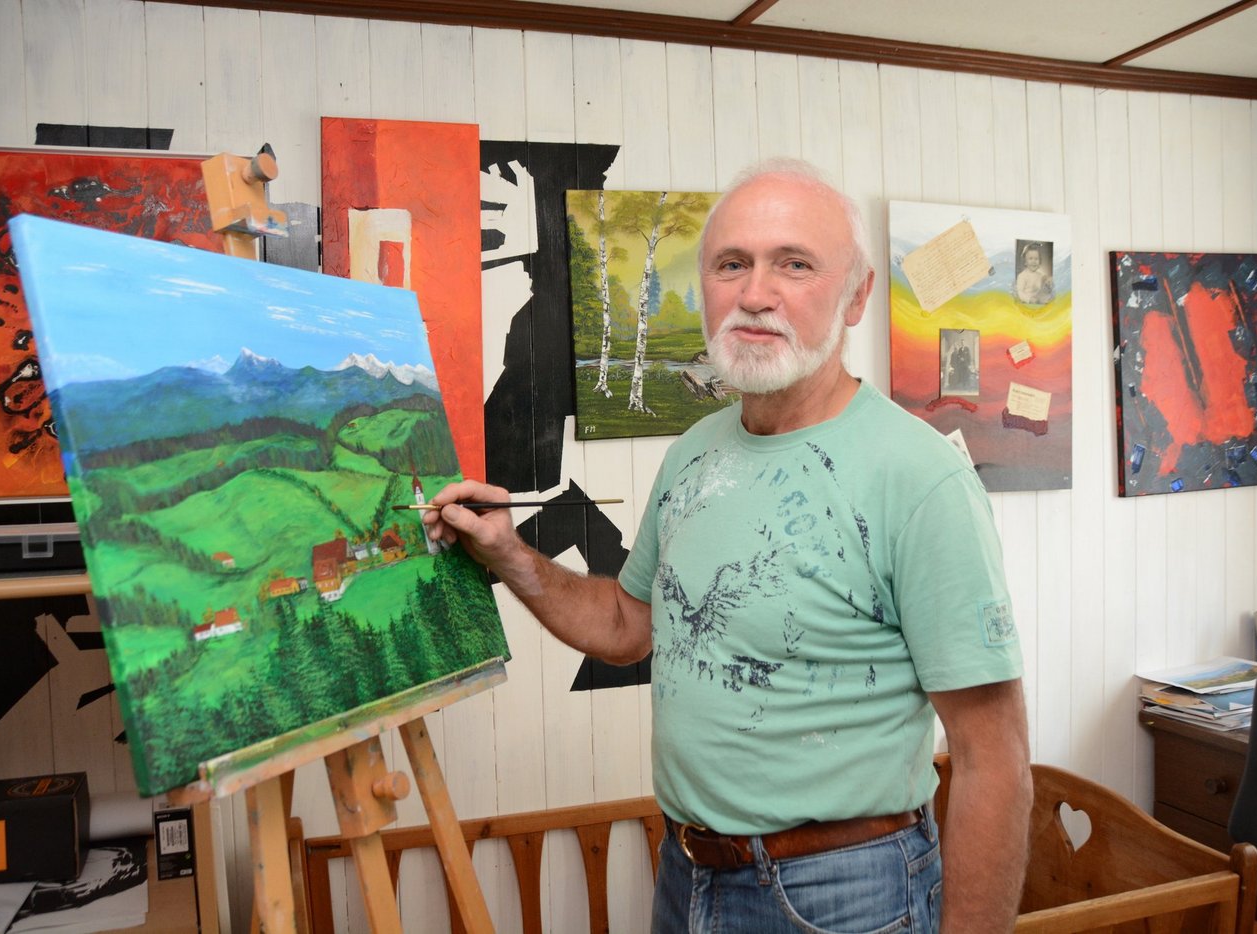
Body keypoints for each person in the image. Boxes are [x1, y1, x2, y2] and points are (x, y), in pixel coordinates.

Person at [424, 159, 1032, 933]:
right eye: (731, 264)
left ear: (856, 295)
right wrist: (508, 553)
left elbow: (996, 756)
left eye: (795, 264)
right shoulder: (695, 452)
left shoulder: (920, 477)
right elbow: (625, 625)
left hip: (845, 894)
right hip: (687, 875)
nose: (754, 293)